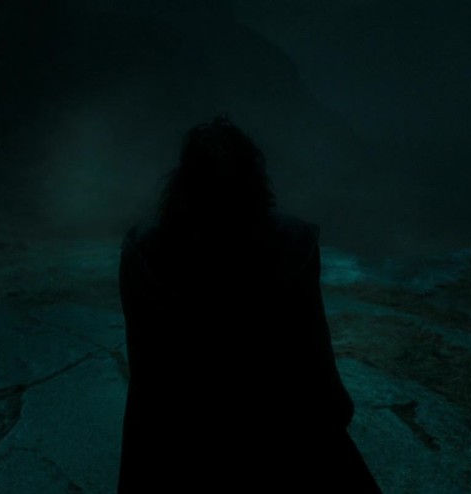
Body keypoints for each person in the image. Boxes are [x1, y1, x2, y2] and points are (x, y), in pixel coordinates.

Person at [117, 116, 383, 492]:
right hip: (275, 418)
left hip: (181, 423)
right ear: (255, 179)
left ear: (182, 180)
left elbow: (145, 357)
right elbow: (310, 340)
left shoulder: (143, 249)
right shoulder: (292, 244)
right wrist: (333, 403)